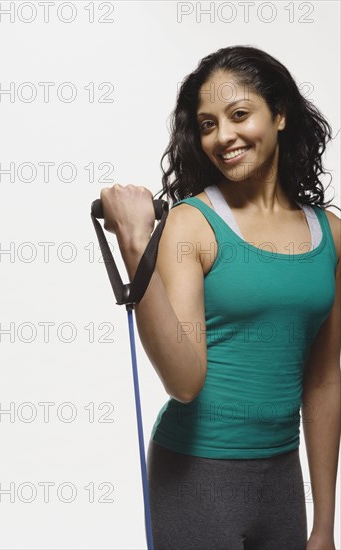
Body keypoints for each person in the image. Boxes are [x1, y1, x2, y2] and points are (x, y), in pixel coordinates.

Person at [100, 45, 341, 550]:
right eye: (207, 124)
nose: (223, 136)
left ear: (279, 115)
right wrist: (137, 247)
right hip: (197, 476)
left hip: (281, 478)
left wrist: (324, 522)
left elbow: (322, 381)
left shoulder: (331, 234)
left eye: (238, 115)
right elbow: (184, 382)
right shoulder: (193, 223)